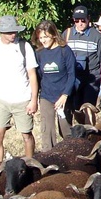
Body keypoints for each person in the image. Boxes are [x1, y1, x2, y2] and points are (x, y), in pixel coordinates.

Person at [0, 15, 39, 163]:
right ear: (1, 32)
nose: (13, 34)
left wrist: (34, 100)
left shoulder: (24, 47)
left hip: (22, 98)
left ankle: (29, 164)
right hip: (1, 99)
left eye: (15, 31)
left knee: (26, 134)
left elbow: (32, 74)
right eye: (9, 32)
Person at [33, 21, 76, 151]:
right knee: (47, 132)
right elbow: (39, 76)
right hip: (46, 95)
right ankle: (48, 158)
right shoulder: (40, 53)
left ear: (53, 34)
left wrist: (65, 95)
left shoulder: (65, 51)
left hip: (63, 96)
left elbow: (72, 74)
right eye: (40, 38)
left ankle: (71, 153)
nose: (43, 41)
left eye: (45, 37)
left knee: (66, 130)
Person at [63, 5, 101, 105]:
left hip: (91, 80)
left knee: (88, 108)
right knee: (74, 108)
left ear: (88, 19)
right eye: (77, 20)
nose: (80, 23)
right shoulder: (67, 34)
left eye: (83, 20)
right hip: (73, 78)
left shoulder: (96, 36)